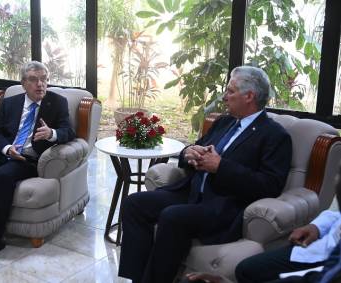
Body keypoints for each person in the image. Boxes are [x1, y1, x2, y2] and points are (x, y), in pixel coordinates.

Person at [117, 66, 293, 283]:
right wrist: (188, 152)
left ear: (249, 96)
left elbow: (269, 185)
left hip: (222, 205)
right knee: (134, 203)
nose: (224, 97)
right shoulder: (224, 122)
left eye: (231, 91)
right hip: (190, 192)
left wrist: (221, 167)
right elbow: (195, 149)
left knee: (172, 217)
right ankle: (136, 278)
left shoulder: (275, 135)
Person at [0, 61, 75, 262]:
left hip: (28, 158)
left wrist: (52, 133)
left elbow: (68, 131)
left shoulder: (57, 102)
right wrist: (7, 148)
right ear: (24, 83)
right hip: (3, 150)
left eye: (44, 79)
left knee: (3, 176)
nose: (40, 84)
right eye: (34, 80)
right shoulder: (10, 102)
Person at [235, 179, 341, 283]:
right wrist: (316, 227)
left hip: (332, 266)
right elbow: (335, 210)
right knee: (245, 270)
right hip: (324, 246)